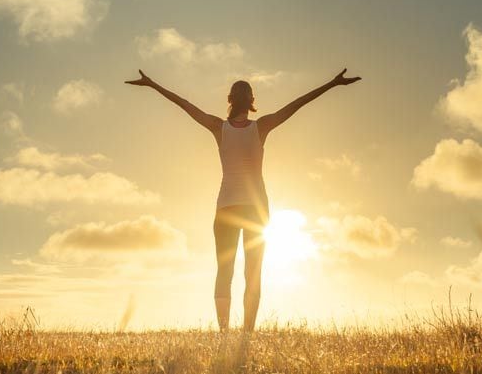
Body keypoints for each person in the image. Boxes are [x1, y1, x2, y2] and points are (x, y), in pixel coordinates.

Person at [125, 68, 361, 332]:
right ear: (250, 101)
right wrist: (331, 83)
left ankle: (224, 333)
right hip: (255, 210)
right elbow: (297, 104)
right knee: (252, 273)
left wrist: (153, 83)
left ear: (230, 100)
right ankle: (247, 332)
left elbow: (185, 105)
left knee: (224, 271)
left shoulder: (219, 127)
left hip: (226, 208)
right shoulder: (261, 127)